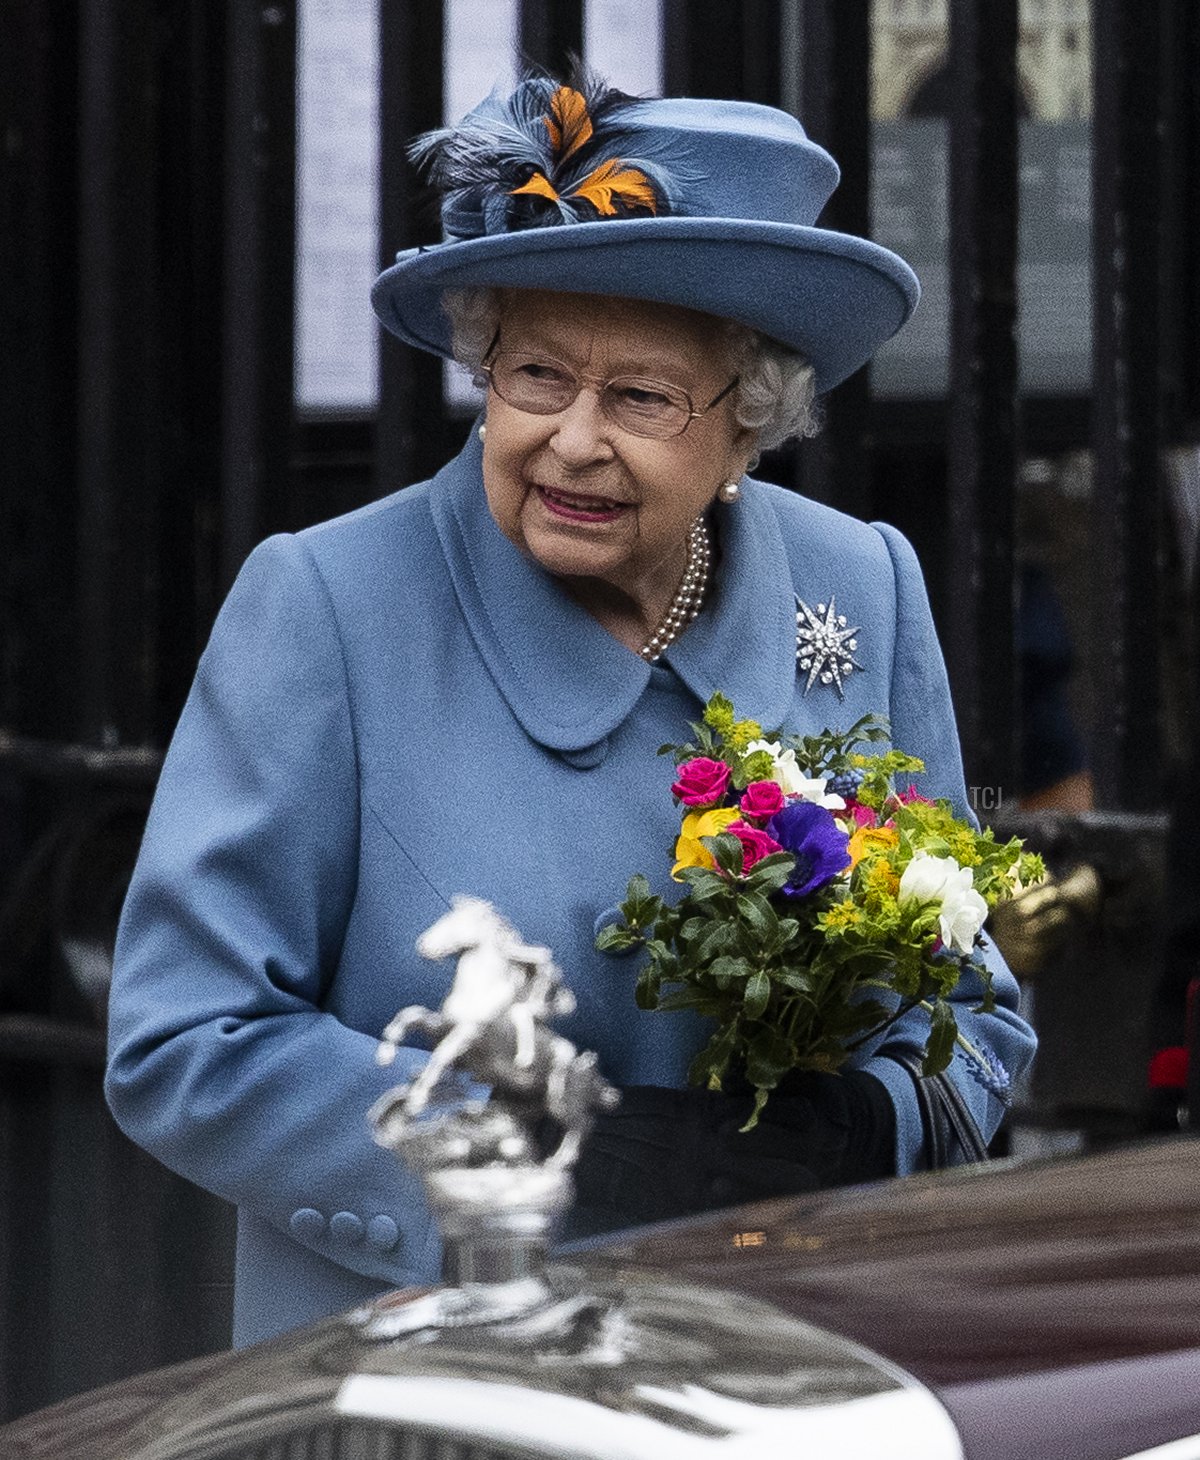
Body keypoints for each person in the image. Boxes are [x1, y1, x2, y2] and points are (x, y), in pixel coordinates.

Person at [105, 72, 1036, 1347]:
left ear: (749, 424)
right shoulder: (327, 604)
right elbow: (187, 1039)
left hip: (773, 1368)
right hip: (434, 1379)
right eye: (535, 373)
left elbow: (970, 1006)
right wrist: (544, 1162)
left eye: (643, 396)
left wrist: (865, 1121)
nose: (573, 440)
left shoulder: (858, 584)